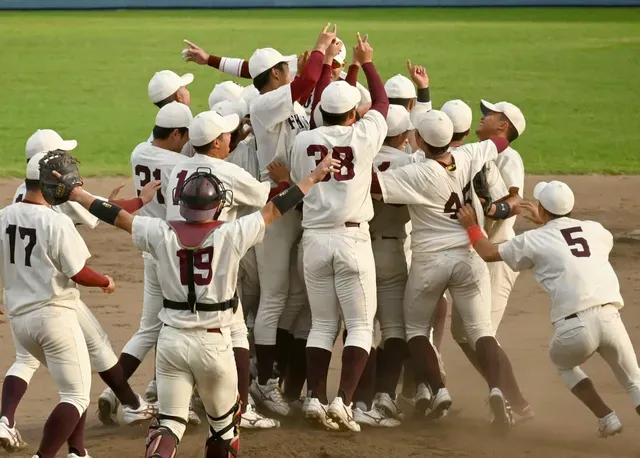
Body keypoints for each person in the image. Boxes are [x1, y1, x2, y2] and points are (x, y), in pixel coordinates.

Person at [58, 146, 339, 458]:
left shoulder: (159, 232)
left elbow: (117, 216)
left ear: (182, 204)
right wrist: (314, 176)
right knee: (223, 429)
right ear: (218, 206)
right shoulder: (232, 233)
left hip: (171, 342)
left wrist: (77, 194)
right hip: (215, 344)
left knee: (168, 425)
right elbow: (274, 208)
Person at [371, 109, 519, 431]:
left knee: (414, 330)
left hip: (430, 261)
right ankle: (496, 390)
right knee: (482, 331)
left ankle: (438, 390)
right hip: (468, 257)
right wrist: (501, 134)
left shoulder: (417, 173)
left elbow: (373, 185)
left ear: (420, 140)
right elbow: (500, 142)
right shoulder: (467, 155)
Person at [457, 181, 640, 438]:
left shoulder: (533, 240)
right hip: (611, 318)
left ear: (541, 208)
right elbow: (569, 246)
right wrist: (547, 223)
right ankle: (610, 417)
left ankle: (606, 417)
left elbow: (487, 253)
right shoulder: (596, 230)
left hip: (574, 328)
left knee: (564, 364)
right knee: (634, 382)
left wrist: (471, 226)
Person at [0, 151, 143, 458]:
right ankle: (45, 455)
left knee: (70, 386)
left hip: (20, 321)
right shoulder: (56, 222)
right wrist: (105, 281)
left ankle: (78, 451)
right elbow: (78, 272)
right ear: (49, 184)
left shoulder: (4, 215)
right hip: (53, 317)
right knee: (76, 396)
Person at [290, 32, 389, 432]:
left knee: (322, 324)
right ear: (353, 114)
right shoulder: (363, 136)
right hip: (351, 240)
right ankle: (343, 402)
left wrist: (331, 65)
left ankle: (314, 397)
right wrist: (366, 61)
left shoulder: (302, 142)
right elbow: (381, 104)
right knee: (361, 325)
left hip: (313, 239)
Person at [164, 110, 280, 429]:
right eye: (228, 134)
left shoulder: (176, 170)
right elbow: (262, 198)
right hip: (214, 263)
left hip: (174, 261)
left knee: (170, 330)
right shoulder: (225, 171)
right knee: (235, 331)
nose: (232, 137)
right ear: (216, 142)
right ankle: (240, 409)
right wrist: (283, 179)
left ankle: (180, 402)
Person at [98, 101, 195, 426]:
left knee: (149, 326)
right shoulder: (182, 163)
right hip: (172, 250)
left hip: (146, 243)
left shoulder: (139, 151)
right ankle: (173, 399)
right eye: (185, 135)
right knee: (179, 323)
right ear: (177, 133)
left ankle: (115, 392)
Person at [443, 98, 532, 420]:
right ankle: (508, 396)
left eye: (489, 114)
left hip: (499, 253)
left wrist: (493, 209)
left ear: (503, 126)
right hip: (478, 251)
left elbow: (515, 197)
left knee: (483, 332)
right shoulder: (473, 154)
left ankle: (512, 402)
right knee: (464, 333)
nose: (482, 117)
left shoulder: (509, 156)